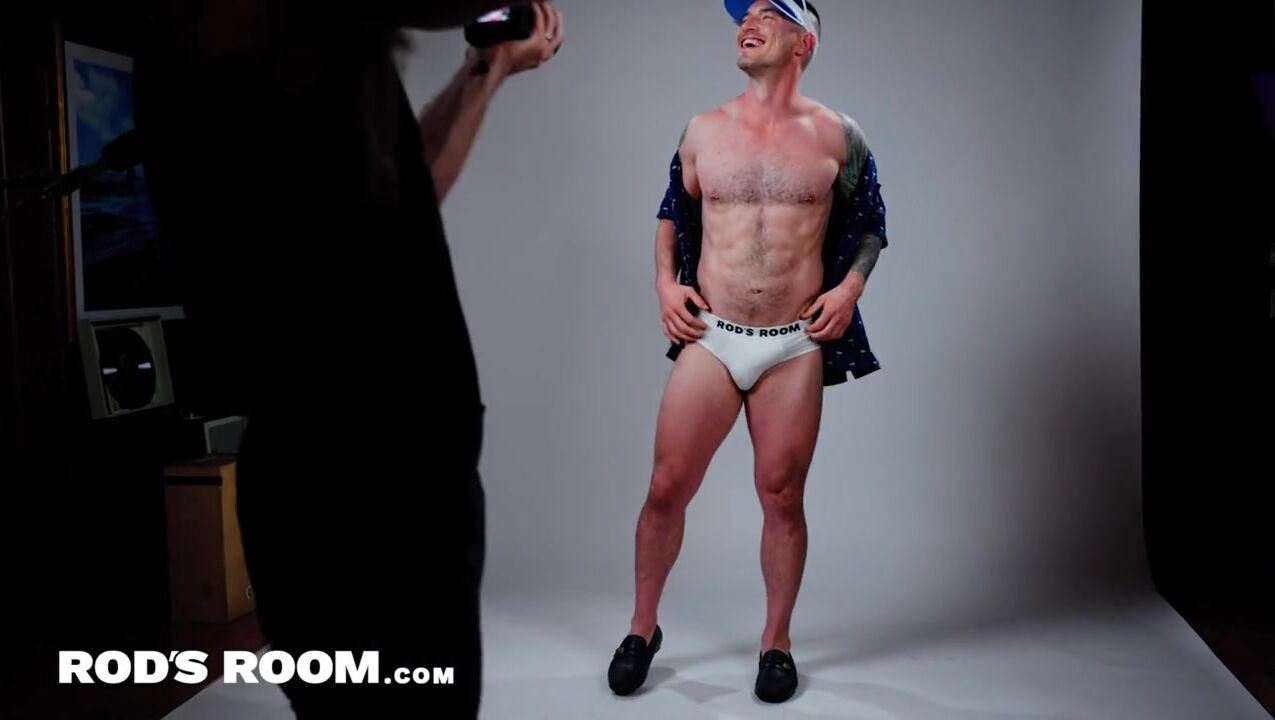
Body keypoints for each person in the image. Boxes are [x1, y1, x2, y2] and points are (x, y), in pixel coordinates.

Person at [134, 2, 563, 717]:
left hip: (381, 486)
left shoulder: (312, 54)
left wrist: (484, 70)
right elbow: (366, 230)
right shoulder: (251, 50)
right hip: (366, 499)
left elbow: (401, 192)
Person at [607, 0, 888, 704]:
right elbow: (671, 213)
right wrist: (664, 286)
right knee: (666, 488)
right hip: (711, 336)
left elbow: (871, 225)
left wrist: (849, 288)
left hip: (791, 345)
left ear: (803, 41)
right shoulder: (703, 129)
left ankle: (776, 642)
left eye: (767, 12)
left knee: (782, 496)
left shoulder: (840, 136)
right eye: (742, 14)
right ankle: (641, 628)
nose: (746, 23)